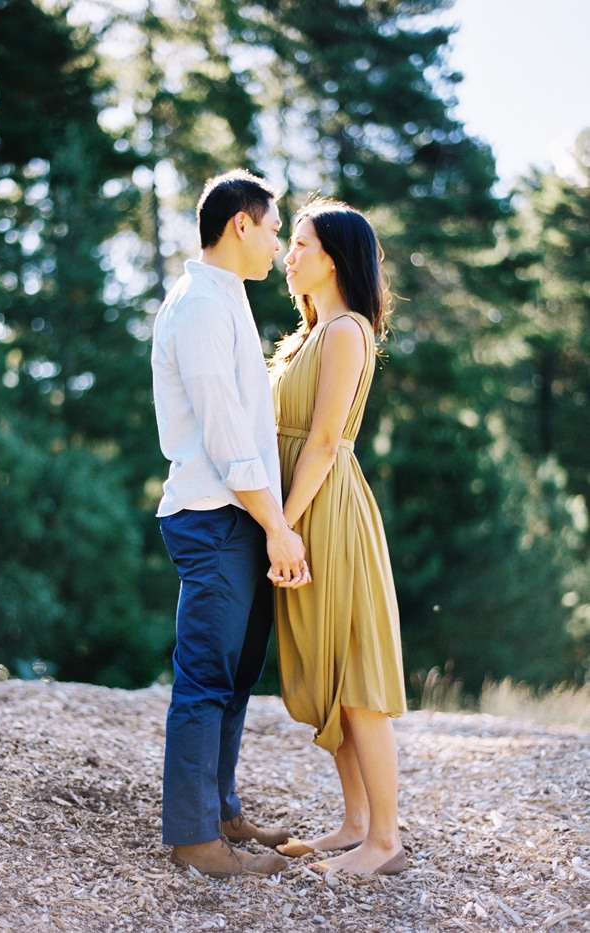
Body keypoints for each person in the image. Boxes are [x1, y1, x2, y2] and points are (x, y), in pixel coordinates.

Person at [151, 169, 311, 879]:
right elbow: (225, 438)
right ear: (240, 224)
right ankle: (195, 840)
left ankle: (219, 809)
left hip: (238, 516)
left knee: (238, 674)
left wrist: (268, 522)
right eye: (275, 226)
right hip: (216, 517)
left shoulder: (227, 299)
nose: (279, 242)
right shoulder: (199, 309)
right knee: (206, 677)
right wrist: (278, 526)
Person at [269, 197, 408, 876]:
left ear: (334, 259)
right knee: (325, 671)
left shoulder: (348, 330)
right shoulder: (305, 335)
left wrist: (283, 526)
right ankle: (355, 822)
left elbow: (324, 443)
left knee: (354, 673)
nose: (287, 255)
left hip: (325, 512)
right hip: (303, 509)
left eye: (300, 244)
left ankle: (385, 841)